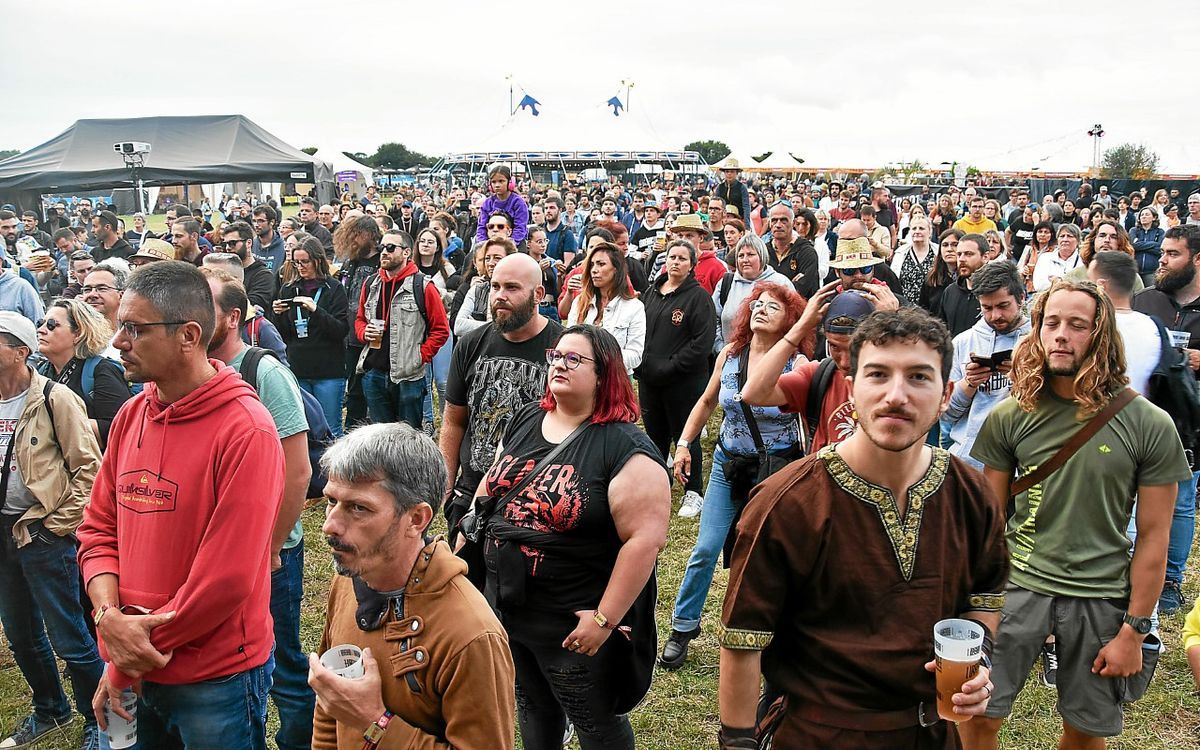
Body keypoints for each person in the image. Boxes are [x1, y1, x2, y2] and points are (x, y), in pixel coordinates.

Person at [718, 307, 1008, 750]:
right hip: (819, 734)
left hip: (931, 734)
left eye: (918, 377)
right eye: (877, 375)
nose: (896, 395)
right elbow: (743, 640)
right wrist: (737, 743)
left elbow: (983, 598)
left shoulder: (971, 493)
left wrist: (977, 659)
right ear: (851, 391)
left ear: (946, 393)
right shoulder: (788, 501)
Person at [962, 278, 1191, 750]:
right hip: (1016, 588)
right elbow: (987, 522)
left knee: (1085, 733)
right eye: (1051, 323)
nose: (1061, 335)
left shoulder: (1149, 423)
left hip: (1101, 596)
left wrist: (1135, 630)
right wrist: (976, 607)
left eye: (1077, 325)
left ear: (1101, 334)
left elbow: (1154, 536)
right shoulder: (1011, 414)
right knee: (977, 717)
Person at [78, 261, 285, 750]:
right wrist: (110, 619)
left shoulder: (246, 430)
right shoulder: (132, 415)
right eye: (120, 325)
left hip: (214, 678)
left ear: (189, 335)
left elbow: (227, 578)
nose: (118, 340)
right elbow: (98, 529)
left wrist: (130, 652)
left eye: (135, 328)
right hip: (136, 663)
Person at [474, 325, 670, 750]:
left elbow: (644, 542)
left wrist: (604, 619)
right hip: (509, 605)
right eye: (556, 356)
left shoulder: (625, 447)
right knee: (532, 705)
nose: (559, 364)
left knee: (593, 721)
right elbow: (492, 486)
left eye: (574, 359)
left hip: (571, 620)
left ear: (605, 375)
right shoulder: (528, 417)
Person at [309, 423, 516, 749]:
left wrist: (375, 724)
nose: (330, 525)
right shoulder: (351, 579)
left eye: (358, 508)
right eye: (331, 501)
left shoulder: (472, 636)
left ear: (417, 519)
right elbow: (331, 704)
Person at [662, 284, 809, 668]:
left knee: (765, 556)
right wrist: (683, 443)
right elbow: (708, 400)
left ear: (790, 320)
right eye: (756, 304)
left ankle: (774, 630)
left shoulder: (798, 364)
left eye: (772, 307)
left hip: (776, 472)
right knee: (706, 549)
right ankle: (683, 627)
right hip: (729, 467)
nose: (760, 310)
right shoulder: (730, 355)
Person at [204, 268, 314, 750]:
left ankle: (297, 741)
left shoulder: (262, 371)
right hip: (217, 552)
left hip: (272, 553)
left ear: (231, 317)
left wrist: (271, 545)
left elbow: (298, 471)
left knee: (283, 662)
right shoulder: (190, 374)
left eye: (200, 304)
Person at [0, 311, 107, 750]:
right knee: (21, 634)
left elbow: (89, 470)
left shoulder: (53, 399)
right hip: (4, 534)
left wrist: (54, 527)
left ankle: (99, 719)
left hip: (42, 535)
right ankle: (51, 709)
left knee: (72, 638)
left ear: (20, 352)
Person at [440, 253, 563, 540]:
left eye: (512, 288)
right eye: (495, 287)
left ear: (539, 295)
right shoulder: (471, 344)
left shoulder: (561, 348)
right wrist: (447, 487)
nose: (499, 296)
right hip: (470, 494)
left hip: (533, 500)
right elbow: (454, 421)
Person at [1132, 224, 1200, 616]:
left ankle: (1171, 581)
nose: (1163, 260)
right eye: (1163, 253)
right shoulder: (1148, 301)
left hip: (1188, 420)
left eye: (1173, 254)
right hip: (1140, 417)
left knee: (1181, 500)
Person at [636, 239, 718, 512]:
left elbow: (701, 343)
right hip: (649, 380)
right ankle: (658, 486)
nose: (675, 262)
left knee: (685, 435)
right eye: (672, 257)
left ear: (692, 265)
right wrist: (642, 363)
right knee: (655, 437)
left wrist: (671, 365)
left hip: (683, 381)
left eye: (683, 258)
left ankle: (693, 491)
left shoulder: (698, 298)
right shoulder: (652, 292)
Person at [355, 230, 450, 430]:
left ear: (406, 253)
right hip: (374, 373)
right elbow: (360, 319)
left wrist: (420, 356)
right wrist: (364, 332)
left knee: (408, 439)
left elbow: (441, 330)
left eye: (390, 248)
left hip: (409, 376)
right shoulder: (371, 284)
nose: (384, 252)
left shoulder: (422, 286)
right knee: (381, 439)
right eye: (382, 248)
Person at [945, 261, 1031, 470]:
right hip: (968, 463)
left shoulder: (1039, 341)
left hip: (1021, 464)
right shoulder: (963, 342)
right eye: (987, 308)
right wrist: (969, 383)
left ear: (1021, 298)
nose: (995, 316)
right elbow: (947, 415)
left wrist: (1023, 377)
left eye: (1003, 306)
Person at [273, 235, 351, 437]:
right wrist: (278, 315)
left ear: (317, 260)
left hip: (328, 371)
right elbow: (284, 336)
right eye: (296, 262)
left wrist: (316, 311)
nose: (300, 266)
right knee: (303, 430)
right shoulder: (288, 288)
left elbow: (340, 330)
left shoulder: (334, 289)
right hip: (299, 369)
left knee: (330, 429)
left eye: (305, 261)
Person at [35, 297, 131, 450]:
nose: (41, 330)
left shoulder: (101, 370)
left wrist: (58, 423)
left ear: (78, 333)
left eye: (52, 325)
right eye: (40, 323)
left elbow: (120, 426)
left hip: (92, 467)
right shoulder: (41, 372)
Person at [565, 240, 645, 376]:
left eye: (601, 264)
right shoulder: (580, 301)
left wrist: (600, 358)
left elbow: (635, 355)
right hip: (582, 377)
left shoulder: (634, 307)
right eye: (592, 265)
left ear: (616, 269)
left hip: (617, 380)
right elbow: (568, 342)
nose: (594, 270)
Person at [335, 216, 384, 429]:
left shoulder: (383, 260)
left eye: (357, 235)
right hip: (350, 337)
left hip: (375, 336)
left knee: (375, 391)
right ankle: (352, 433)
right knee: (354, 392)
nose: (353, 240)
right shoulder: (350, 263)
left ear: (371, 235)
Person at [1088, 252, 1160, 397]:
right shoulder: (1158, 329)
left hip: (1099, 412)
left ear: (1101, 286)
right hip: (1145, 415)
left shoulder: (1090, 328)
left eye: (1089, 282)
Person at [713, 234, 794, 351]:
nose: (745, 260)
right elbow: (714, 318)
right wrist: (720, 348)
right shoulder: (727, 283)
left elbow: (792, 320)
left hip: (769, 359)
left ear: (762, 257)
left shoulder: (780, 283)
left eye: (750, 254)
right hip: (730, 357)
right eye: (741, 255)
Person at [935, 232, 987, 337]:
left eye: (969, 254)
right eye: (959, 254)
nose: (962, 259)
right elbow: (942, 331)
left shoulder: (995, 293)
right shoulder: (950, 292)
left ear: (985, 257)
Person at [475, 165, 530, 247]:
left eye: (501, 181)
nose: (497, 185)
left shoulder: (518, 203)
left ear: (510, 182)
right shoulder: (487, 203)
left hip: (515, 244)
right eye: (494, 182)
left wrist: (509, 245)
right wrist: (483, 244)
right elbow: (482, 227)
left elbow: (520, 228)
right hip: (490, 243)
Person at [889, 215, 937, 305]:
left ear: (930, 232)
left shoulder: (938, 253)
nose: (917, 231)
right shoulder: (900, 253)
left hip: (932, 309)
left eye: (921, 228)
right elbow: (894, 282)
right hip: (906, 310)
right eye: (914, 228)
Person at [1131, 208, 1165, 288]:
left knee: (1150, 295)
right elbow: (1133, 246)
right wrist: (1154, 244)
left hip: (1151, 272)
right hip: (1135, 271)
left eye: (1147, 214)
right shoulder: (1134, 230)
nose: (1143, 217)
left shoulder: (1160, 232)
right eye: (1142, 215)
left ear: (1154, 217)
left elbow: (1160, 249)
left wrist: (1140, 245)